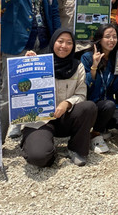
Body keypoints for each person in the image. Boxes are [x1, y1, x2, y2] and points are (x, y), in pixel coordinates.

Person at [0, 0, 61, 141]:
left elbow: (53, 13)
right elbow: (0, 1)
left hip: (43, 40)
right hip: (18, 40)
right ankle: (2, 137)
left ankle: (32, 128)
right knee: (11, 89)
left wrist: (57, 39)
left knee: (38, 86)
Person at [21, 29, 97, 167]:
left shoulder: (77, 66)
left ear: (73, 46)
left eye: (69, 43)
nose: (64, 46)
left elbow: (81, 94)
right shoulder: (39, 64)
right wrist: (28, 64)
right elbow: (22, 90)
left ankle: (76, 148)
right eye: (60, 41)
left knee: (89, 107)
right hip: (41, 120)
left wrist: (66, 104)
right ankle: (48, 151)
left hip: (64, 118)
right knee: (39, 157)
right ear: (53, 42)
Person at [80, 24, 118, 153]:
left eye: (114, 37)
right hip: (91, 104)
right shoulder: (87, 57)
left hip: (109, 103)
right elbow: (85, 85)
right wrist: (94, 66)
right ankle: (95, 134)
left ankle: (102, 125)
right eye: (107, 36)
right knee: (108, 105)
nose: (111, 40)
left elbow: (116, 89)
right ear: (99, 38)